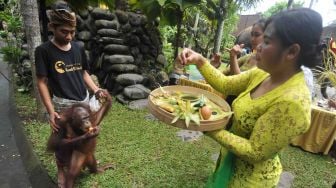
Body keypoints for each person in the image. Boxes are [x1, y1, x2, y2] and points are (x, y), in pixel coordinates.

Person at [177, 8, 322, 187]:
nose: (258, 46)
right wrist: (199, 60)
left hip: (251, 180)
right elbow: (225, 84)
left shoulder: (293, 103)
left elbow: (255, 151)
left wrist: (207, 126)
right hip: (229, 162)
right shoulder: (264, 74)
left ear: (291, 51)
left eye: (267, 41)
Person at [34, 2, 106, 187]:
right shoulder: (43, 51)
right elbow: (42, 82)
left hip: (82, 103)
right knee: (62, 142)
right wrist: (50, 111)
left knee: (87, 135)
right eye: (64, 31)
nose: (69, 36)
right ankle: (61, 170)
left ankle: (90, 164)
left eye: (72, 32)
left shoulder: (78, 47)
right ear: (52, 28)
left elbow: (83, 73)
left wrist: (96, 90)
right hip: (62, 104)